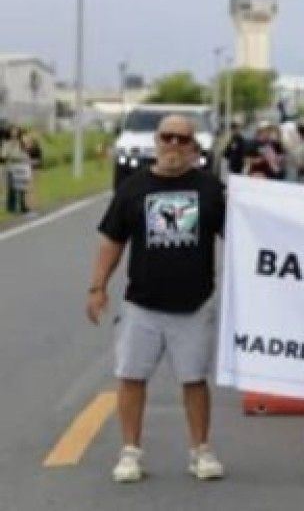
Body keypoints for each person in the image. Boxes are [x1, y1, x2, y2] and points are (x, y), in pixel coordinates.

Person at [85, 114, 226, 483]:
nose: (174, 145)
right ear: (157, 141)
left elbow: (240, 237)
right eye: (167, 137)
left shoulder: (211, 189)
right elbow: (112, 240)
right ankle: (130, 452)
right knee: (131, 377)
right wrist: (98, 287)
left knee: (194, 380)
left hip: (194, 304)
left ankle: (201, 450)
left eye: (182, 139)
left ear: (194, 147)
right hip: (142, 304)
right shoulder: (133, 188)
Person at [2, 126, 34, 214]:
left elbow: (28, 150)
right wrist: (11, 153)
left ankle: (23, 206)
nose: (14, 133)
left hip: (21, 168)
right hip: (11, 168)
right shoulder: (6, 143)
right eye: (12, 131)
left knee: (22, 188)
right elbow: (3, 156)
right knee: (12, 188)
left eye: (16, 131)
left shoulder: (21, 142)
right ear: (9, 132)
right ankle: (11, 207)